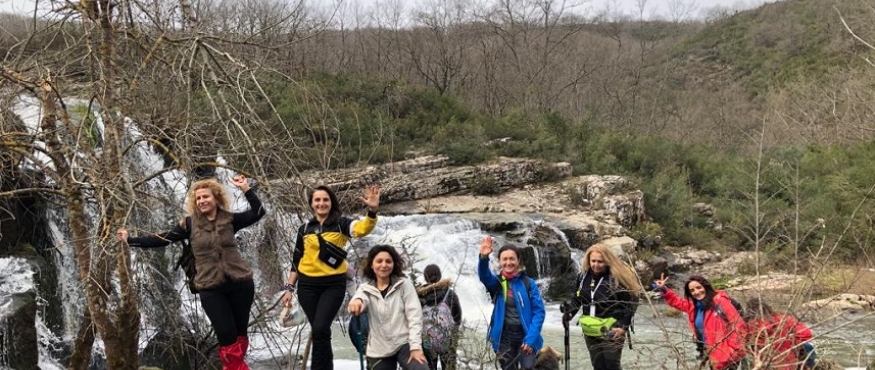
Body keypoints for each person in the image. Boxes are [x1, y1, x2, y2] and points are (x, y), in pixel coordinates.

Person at [117, 175, 265, 370]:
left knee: (239, 335)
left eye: (206, 197)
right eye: (198, 198)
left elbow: (259, 212)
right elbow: (163, 238)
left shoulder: (230, 219)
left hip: (241, 285)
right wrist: (131, 240)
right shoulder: (189, 224)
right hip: (210, 288)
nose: (202, 201)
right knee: (227, 337)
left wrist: (245, 188)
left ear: (216, 198)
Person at [281, 185, 380, 370]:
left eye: (325, 199)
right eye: (317, 200)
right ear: (311, 204)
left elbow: (361, 229)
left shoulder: (340, 224)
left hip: (332, 286)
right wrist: (289, 288)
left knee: (320, 328)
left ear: (331, 202)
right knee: (321, 332)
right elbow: (296, 260)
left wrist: (372, 210)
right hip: (307, 287)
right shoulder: (304, 229)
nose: (321, 203)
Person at [559, 243, 641, 370]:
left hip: (612, 329)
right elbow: (577, 299)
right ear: (588, 260)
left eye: (600, 262)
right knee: (597, 365)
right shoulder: (583, 277)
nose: (596, 265)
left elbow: (629, 306)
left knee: (612, 366)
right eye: (593, 261)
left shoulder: (616, 279)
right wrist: (569, 314)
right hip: (590, 328)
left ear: (607, 261)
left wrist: (623, 328)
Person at [347, 245, 429, 370]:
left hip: (404, 343)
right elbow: (359, 299)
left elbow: (415, 317)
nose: (384, 265)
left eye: (388, 261)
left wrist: (416, 348)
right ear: (371, 265)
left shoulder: (404, 284)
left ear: (394, 264)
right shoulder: (365, 288)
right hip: (379, 348)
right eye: (379, 261)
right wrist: (357, 302)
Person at [477, 236, 546, 370]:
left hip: (526, 333)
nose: (508, 262)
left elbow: (539, 312)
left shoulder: (528, 283)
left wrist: (531, 339)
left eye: (512, 259)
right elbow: (484, 276)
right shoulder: (497, 282)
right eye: (505, 259)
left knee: (528, 367)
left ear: (518, 261)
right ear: (500, 262)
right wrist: (483, 258)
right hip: (504, 336)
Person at [653, 273, 747, 370]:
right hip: (711, 354)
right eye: (692, 290)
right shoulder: (694, 306)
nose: (696, 292)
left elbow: (739, 325)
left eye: (699, 287)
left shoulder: (720, 301)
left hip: (729, 355)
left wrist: (732, 349)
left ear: (705, 287)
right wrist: (664, 289)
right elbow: (678, 302)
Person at [745, 298, 814, 370]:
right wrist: (793, 340)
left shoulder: (748, 326)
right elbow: (807, 334)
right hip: (790, 362)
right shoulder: (783, 318)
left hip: (764, 365)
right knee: (808, 347)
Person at [417, 264, 463, 370]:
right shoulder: (449, 293)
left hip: (426, 342)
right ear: (440, 275)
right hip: (447, 340)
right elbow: (457, 317)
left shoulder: (419, 296)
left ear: (425, 278)